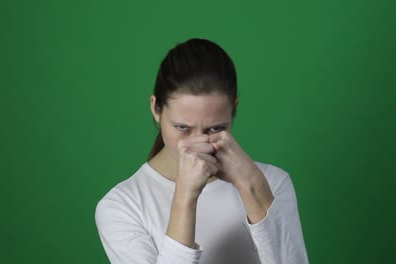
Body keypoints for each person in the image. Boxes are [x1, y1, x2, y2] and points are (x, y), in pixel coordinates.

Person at [95, 38, 309, 264]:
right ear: (156, 109)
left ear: (233, 111)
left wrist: (252, 184)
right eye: (182, 128)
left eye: (216, 128)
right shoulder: (123, 206)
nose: (198, 143)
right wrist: (184, 197)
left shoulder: (273, 182)